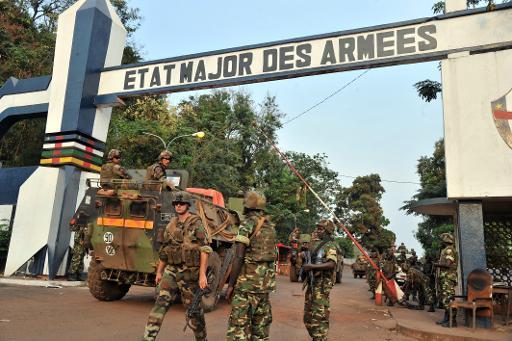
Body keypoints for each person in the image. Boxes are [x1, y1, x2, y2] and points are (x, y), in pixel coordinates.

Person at [142, 191, 211, 341]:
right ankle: (147, 338)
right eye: (176, 204)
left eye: (182, 204)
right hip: (171, 271)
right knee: (160, 304)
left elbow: (205, 249)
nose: (178, 206)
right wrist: (160, 272)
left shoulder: (196, 223)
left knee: (194, 312)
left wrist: (202, 275)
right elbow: (165, 251)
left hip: (189, 273)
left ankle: (202, 338)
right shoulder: (171, 225)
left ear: (187, 205)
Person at [226, 191, 276, 340]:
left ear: (247, 205)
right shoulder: (270, 226)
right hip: (265, 286)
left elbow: (239, 255)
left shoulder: (247, 223)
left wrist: (230, 285)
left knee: (238, 328)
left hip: (246, 286)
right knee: (260, 330)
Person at [302, 219, 339, 340]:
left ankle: (320, 338)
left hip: (321, 287)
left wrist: (312, 266)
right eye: (317, 228)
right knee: (308, 317)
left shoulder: (330, 245)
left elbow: (331, 264)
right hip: (313, 285)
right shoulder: (317, 244)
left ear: (328, 231)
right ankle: (316, 337)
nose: (317, 231)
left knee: (319, 317)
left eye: (321, 229)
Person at [435, 232, 458, 327]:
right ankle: (446, 319)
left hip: (448, 278)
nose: (441, 241)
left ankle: (452, 321)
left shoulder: (449, 250)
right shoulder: (446, 249)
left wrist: (437, 265)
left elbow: (448, 264)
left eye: (442, 239)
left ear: (446, 240)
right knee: (445, 299)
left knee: (447, 300)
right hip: (445, 278)